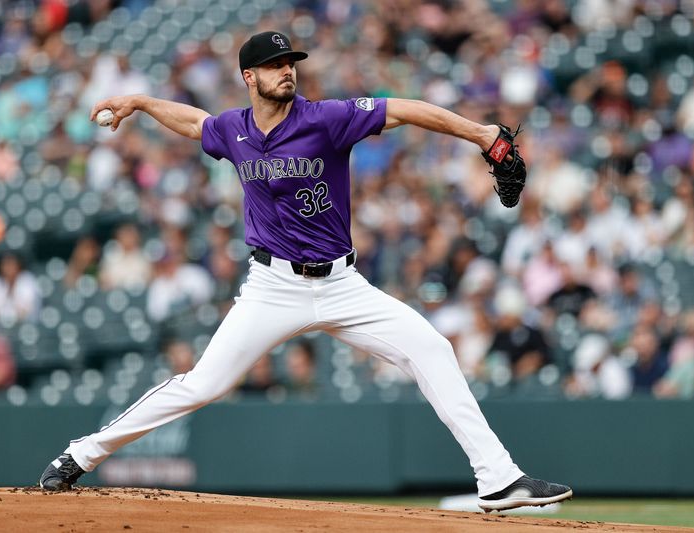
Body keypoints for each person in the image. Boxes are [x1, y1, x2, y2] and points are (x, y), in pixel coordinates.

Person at [39, 31, 571, 511]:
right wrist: (141, 102)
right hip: (272, 286)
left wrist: (482, 135)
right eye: (274, 64)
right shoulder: (235, 130)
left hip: (342, 284)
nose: (286, 69)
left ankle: (498, 479)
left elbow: (405, 109)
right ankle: (80, 454)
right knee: (202, 384)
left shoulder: (326, 119)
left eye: (290, 61)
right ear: (249, 77)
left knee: (432, 348)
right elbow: (196, 123)